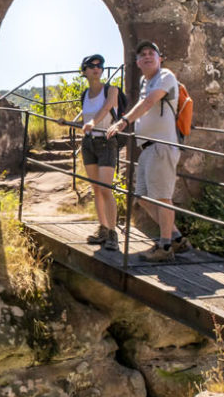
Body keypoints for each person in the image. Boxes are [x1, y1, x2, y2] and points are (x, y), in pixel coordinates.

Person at [107, 41, 191, 262]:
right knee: (143, 197)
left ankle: (164, 247)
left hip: (162, 146)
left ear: (159, 58)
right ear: (137, 62)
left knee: (162, 197)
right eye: (142, 54)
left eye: (151, 53)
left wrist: (123, 122)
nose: (147, 56)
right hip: (147, 147)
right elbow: (146, 103)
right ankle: (175, 237)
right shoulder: (146, 80)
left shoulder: (165, 76)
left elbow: (149, 102)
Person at [78, 53, 125, 251]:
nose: (97, 68)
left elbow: (107, 108)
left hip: (106, 142)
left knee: (106, 189)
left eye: (100, 65)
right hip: (89, 144)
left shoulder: (111, 90)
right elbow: (86, 118)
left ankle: (113, 233)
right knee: (96, 189)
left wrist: (92, 123)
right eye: (92, 65)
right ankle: (103, 229)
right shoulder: (85, 95)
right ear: (85, 71)